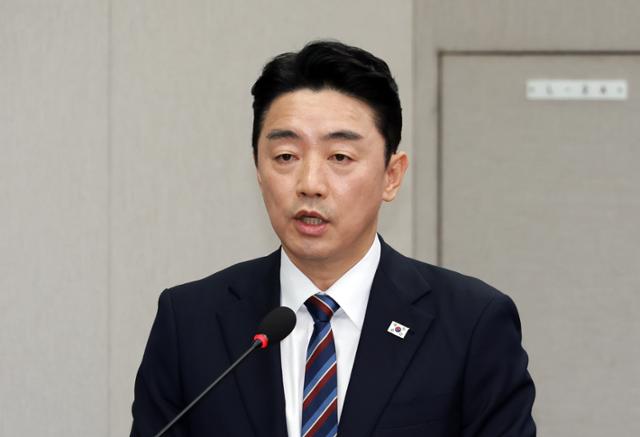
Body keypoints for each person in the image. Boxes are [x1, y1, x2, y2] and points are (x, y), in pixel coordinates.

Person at [131, 40, 536, 437]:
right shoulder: (190, 323)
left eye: (340, 157)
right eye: (285, 156)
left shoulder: (471, 324)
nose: (310, 183)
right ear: (258, 168)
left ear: (391, 176)